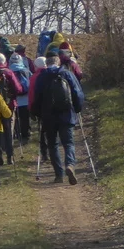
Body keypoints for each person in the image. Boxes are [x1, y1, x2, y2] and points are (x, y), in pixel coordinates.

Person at [30, 53, 85, 185]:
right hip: (66, 114)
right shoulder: (67, 74)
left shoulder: (42, 77)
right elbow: (77, 93)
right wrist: (77, 108)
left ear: (47, 63)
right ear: (58, 62)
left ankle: (59, 175)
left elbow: (37, 97)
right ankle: (70, 165)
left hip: (48, 116)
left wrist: (37, 113)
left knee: (53, 145)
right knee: (68, 143)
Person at [0, 52, 24, 165]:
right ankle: (10, 156)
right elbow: (18, 89)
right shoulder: (8, 72)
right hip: (9, 105)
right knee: (8, 130)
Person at [8, 53, 33, 142]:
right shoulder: (26, 71)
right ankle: (26, 134)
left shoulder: (9, 72)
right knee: (25, 117)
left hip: (15, 99)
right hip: (26, 99)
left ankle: (17, 133)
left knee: (15, 118)